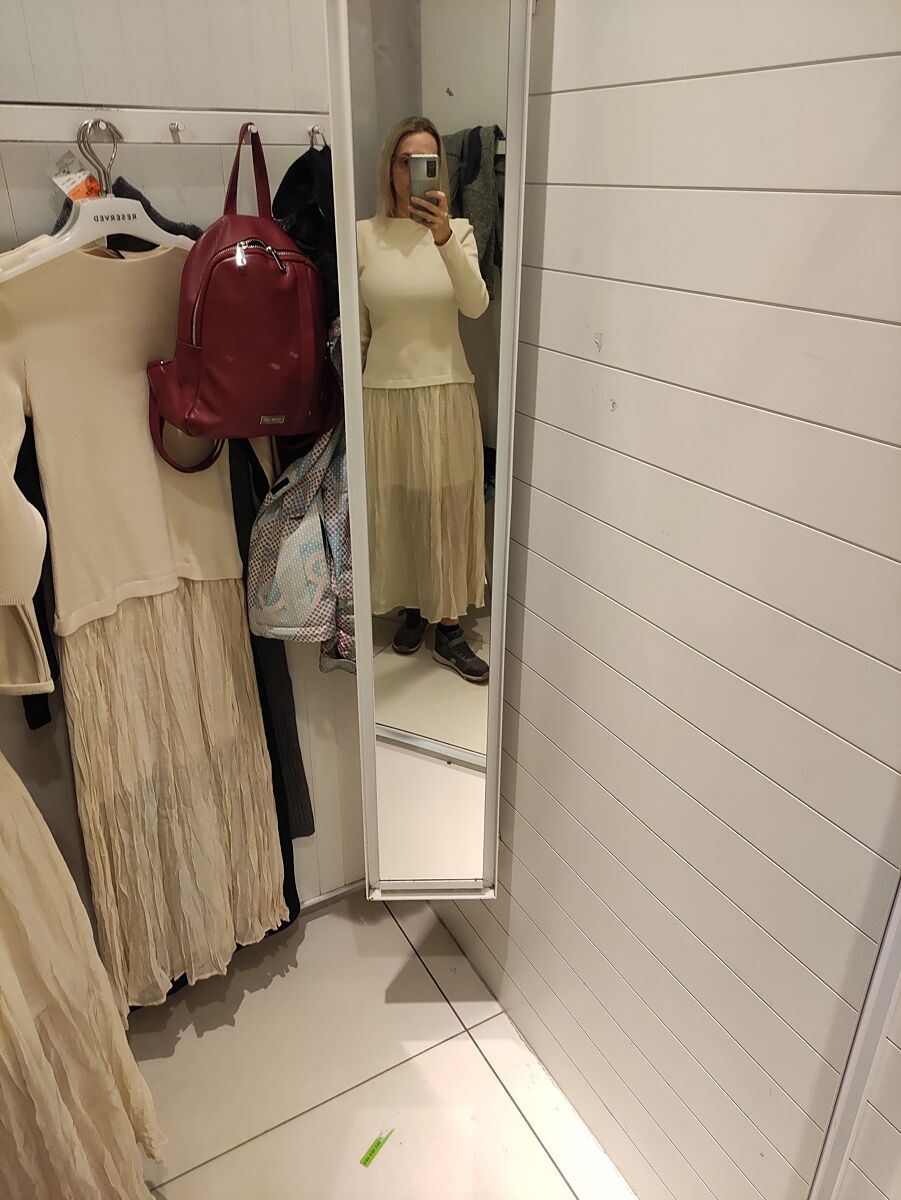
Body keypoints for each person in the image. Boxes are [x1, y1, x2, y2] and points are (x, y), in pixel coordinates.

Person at [357, 116, 490, 684]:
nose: (415, 174)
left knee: (448, 504)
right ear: (390, 169)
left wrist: (442, 240)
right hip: (384, 395)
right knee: (401, 504)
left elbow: (476, 305)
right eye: (406, 162)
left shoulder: (457, 231)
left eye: (427, 163)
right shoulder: (364, 236)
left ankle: (450, 627)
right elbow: (360, 330)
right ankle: (414, 606)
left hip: (446, 389)